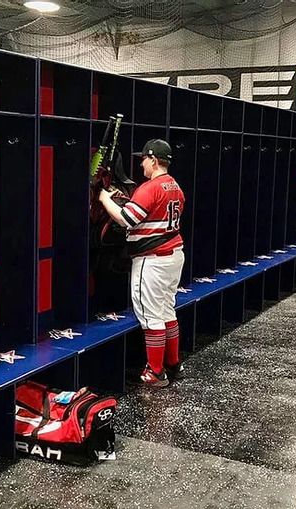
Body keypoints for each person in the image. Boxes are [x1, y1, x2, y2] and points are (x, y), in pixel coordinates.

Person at [99, 139, 185, 387]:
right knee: (167, 311)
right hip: (173, 255)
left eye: (143, 159)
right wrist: (122, 201)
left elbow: (127, 220)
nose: (140, 163)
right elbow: (152, 216)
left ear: (154, 160)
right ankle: (173, 363)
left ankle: (155, 373)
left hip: (153, 260)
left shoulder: (150, 187)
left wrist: (105, 199)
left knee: (150, 317)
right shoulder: (174, 186)